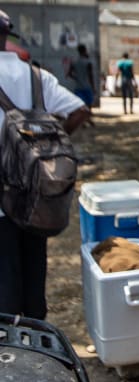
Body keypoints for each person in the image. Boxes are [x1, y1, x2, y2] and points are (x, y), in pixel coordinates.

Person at [0, 9, 89, 320]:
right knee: (34, 274)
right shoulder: (37, 76)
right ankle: (38, 341)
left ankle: (11, 353)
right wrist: (48, 145)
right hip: (37, 192)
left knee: (5, 282)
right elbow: (79, 109)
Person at [68, 44, 96, 125]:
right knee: (89, 104)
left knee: (81, 105)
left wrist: (77, 78)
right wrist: (93, 87)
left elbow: (69, 73)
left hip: (78, 86)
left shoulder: (74, 62)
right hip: (87, 86)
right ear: (85, 50)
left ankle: (83, 121)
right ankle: (88, 119)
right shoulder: (88, 62)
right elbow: (91, 76)